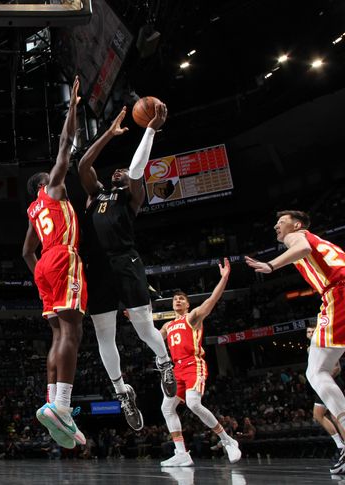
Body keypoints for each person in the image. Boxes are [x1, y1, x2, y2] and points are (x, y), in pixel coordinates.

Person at [76, 101, 175, 431]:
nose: (118, 171)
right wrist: (108, 133)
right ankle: (122, 393)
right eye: (114, 170)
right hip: (97, 267)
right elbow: (83, 165)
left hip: (125, 260)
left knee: (144, 328)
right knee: (105, 336)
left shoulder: (131, 197)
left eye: (122, 171)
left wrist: (149, 130)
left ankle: (164, 363)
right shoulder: (94, 196)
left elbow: (136, 169)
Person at [245, 210, 345, 474]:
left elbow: (300, 247)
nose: (276, 225)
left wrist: (271, 265)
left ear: (296, 224)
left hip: (339, 292)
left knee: (316, 370)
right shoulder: (321, 241)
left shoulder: (297, 236)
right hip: (338, 290)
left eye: (281, 222)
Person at [22, 76, 86, 450]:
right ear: (45, 183)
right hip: (63, 258)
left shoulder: (33, 210)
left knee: (58, 335)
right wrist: (73, 106)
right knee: (72, 335)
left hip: (45, 264)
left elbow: (25, 252)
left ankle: (52, 401)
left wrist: (40, 277)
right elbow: (66, 146)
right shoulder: (53, 190)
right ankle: (62, 406)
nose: (56, 172)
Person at [159, 258, 241, 466]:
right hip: (175, 369)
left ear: (187, 304)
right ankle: (181, 453)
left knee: (194, 403)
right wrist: (136, 319)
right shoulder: (168, 325)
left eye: (181, 299)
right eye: (174, 299)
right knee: (167, 408)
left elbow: (212, 300)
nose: (177, 301)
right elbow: (152, 338)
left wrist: (223, 279)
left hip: (193, 364)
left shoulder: (193, 317)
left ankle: (227, 440)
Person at [306, 324, 345, 457]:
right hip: (322, 384)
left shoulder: (324, 344)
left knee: (336, 416)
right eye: (308, 332)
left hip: (331, 382)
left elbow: (337, 368)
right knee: (318, 414)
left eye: (313, 331)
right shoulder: (309, 349)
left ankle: (342, 446)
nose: (311, 333)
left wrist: (322, 378)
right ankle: (340, 445)